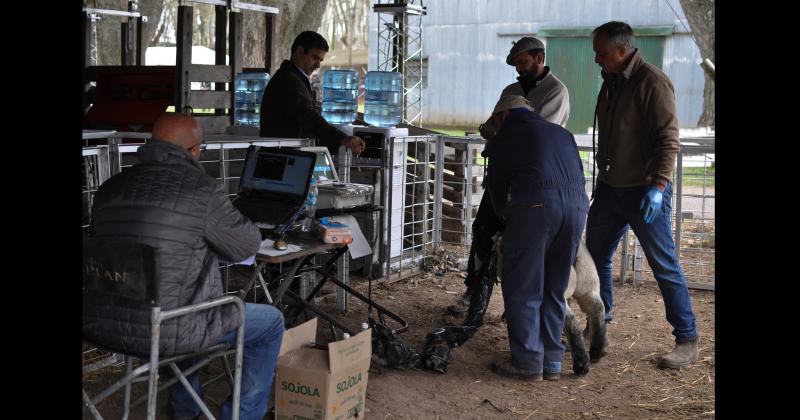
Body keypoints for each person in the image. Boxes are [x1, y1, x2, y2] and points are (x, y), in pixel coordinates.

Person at [84, 113, 285, 420]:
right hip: (166, 329)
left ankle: (186, 408)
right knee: (270, 323)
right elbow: (245, 246)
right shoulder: (202, 190)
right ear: (194, 151)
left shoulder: (109, 189)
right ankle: (244, 415)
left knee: (178, 302)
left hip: (103, 323)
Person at [587, 21, 698, 369]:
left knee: (663, 264)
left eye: (601, 53)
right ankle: (598, 324)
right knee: (595, 257)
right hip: (611, 187)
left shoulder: (652, 82)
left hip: (644, 189)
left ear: (622, 51)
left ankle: (686, 337)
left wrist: (658, 187)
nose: (596, 59)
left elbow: (668, 140)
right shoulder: (612, 83)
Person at [451, 36, 571, 315]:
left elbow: (537, 135)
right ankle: (474, 292)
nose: (519, 68)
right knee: (484, 230)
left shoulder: (556, 91)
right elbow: (492, 127)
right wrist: (497, 132)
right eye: (516, 64)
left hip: (532, 182)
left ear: (539, 58)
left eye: (523, 62)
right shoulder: (511, 89)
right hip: (502, 176)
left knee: (523, 241)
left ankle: (518, 303)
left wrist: (501, 133)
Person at [484, 95, 589, 381]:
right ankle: (552, 361)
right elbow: (580, 175)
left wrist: (506, 216)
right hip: (577, 209)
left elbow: (496, 185)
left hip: (535, 207)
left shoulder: (508, 134)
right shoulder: (562, 133)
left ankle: (528, 361)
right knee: (555, 287)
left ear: (502, 116)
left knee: (524, 286)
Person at [259, 30, 365, 156]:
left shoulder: (293, 77)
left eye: (320, 60)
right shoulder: (289, 80)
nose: (318, 65)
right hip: (280, 158)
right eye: (315, 57)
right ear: (299, 52)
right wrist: (342, 138)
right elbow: (307, 116)